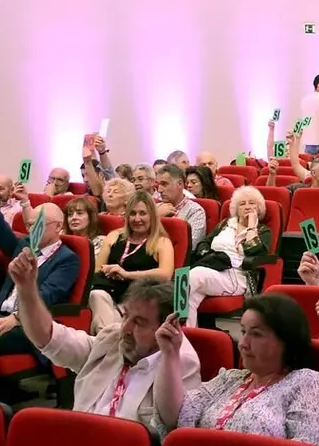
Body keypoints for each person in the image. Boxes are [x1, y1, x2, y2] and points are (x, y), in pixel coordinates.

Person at [14, 266, 201, 422]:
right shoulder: (111, 339)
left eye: (139, 322)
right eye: (126, 315)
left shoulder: (181, 362)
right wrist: (26, 289)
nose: (125, 328)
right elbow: (49, 338)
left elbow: (174, 424)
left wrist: (169, 355)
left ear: (166, 327)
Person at [153, 293, 319, 445]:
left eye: (256, 334)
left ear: (287, 341)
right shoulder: (230, 379)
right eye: (242, 332)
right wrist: (170, 353)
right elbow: (174, 417)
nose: (243, 344)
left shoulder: (309, 383)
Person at [0, 199, 79, 398]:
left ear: (58, 227)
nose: (32, 230)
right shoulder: (25, 246)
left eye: (39, 225)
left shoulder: (66, 259)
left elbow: (48, 295)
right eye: (30, 224)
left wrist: (16, 317)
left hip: (28, 327)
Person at [184, 187, 272, 327]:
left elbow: (252, 251)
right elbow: (204, 243)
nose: (247, 207)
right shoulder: (225, 224)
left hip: (237, 275)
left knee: (189, 277)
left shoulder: (262, 231)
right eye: (242, 204)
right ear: (236, 209)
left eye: (252, 203)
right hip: (213, 267)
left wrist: (250, 226)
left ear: (259, 208)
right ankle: (187, 337)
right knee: (190, 298)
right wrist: (208, 255)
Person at [89, 192, 175, 330]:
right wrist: (108, 270)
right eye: (133, 213)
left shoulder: (161, 242)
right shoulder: (114, 236)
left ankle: (107, 341)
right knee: (96, 295)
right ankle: (112, 339)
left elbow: (165, 275)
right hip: (110, 294)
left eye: (142, 213)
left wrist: (127, 274)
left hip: (141, 298)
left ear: (152, 216)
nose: (137, 218)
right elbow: (97, 269)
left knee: (109, 319)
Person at [155, 164, 206, 244]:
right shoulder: (157, 208)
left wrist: (156, 218)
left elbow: (189, 246)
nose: (159, 190)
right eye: (158, 184)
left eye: (164, 184)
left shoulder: (195, 211)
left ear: (180, 184)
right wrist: (156, 215)